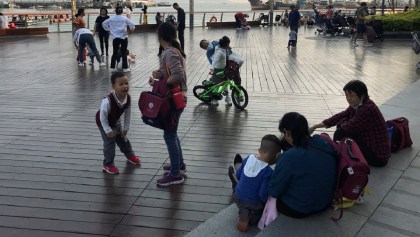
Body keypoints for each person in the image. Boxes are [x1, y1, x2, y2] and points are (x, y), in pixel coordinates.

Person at [269, 112, 337, 218]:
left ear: (287, 132)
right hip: (325, 202)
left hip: (299, 208)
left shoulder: (289, 157)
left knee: (263, 187)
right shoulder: (322, 142)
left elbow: (274, 190)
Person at [309, 80, 391, 167]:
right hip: (370, 145)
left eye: (351, 95)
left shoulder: (367, 109)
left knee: (341, 132)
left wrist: (342, 122)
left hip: (377, 157)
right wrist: (315, 126)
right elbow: (341, 116)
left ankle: (335, 159)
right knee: (341, 126)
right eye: (347, 95)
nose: (348, 99)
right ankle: (336, 155)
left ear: (362, 95)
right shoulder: (358, 104)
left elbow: (348, 127)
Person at [150, 22, 187, 186]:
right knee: (172, 132)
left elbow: (178, 75)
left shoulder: (169, 53)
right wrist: (161, 74)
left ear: (160, 36)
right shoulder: (173, 51)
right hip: (179, 96)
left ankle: (175, 174)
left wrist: (162, 83)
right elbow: (173, 73)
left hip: (174, 98)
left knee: (169, 134)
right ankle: (179, 164)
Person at [229, 135, 282, 232]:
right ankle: (247, 216)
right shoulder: (267, 172)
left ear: (259, 150)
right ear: (277, 155)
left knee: (241, 182)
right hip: (252, 204)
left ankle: (244, 210)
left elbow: (239, 175)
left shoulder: (248, 158)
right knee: (258, 211)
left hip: (236, 195)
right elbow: (262, 195)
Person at [95, 72, 141, 174]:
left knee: (123, 139)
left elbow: (128, 113)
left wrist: (126, 128)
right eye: (121, 84)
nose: (125, 86)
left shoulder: (128, 98)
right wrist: (107, 130)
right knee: (110, 143)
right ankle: (108, 164)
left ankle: (130, 155)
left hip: (115, 121)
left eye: (126, 83)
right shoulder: (108, 100)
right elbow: (102, 116)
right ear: (113, 87)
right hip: (104, 123)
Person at [102, 6, 135, 72]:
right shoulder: (124, 18)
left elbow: (103, 24)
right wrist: (130, 31)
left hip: (115, 37)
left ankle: (112, 67)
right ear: (122, 11)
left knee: (115, 52)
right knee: (124, 52)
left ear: (115, 11)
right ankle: (125, 68)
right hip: (123, 37)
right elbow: (132, 25)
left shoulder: (111, 18)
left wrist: (109, 30)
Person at [208, 36, 232, 106]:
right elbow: (214, 61)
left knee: (225, 84)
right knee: (216, 85)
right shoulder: (219, 52)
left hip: (223, 70)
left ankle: (227, 98)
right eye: (228, 44)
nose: (229, 45)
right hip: (217, 70)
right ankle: (214, 99)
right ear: (226, 44)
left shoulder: (223, 49)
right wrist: (212, 69)